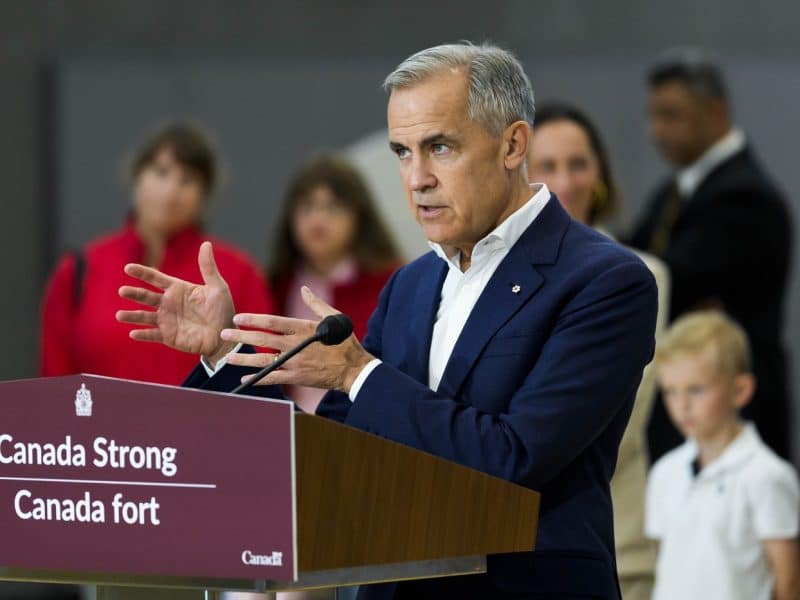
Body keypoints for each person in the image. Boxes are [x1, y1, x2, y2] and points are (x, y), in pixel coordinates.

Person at [117, 42, 658, 599]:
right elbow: (323, 466)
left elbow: (511, 461)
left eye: (439, 147)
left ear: (512, 145)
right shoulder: (410, 286)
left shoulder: (604, 282)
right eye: (402, 152)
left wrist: (358, 373)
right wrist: (224, 357)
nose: (416, 177)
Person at [527, 101, 669, 600]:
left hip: (615, 533)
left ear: (601, 174)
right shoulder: (506, 283)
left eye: (578, 164)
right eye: (547, 166)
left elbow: (623, 422)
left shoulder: (642, 276)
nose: (565, 180)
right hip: (514, 544)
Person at [627, 48, 794, 463]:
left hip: (734, 417)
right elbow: (632, 256)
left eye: (671, 115)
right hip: (689, 411)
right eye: (653, 115)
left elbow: (666, 281)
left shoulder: (745, 197)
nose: (656, 131)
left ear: (715, 111)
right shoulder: (674, 191)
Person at [40, 122, 274, 385]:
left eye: (187, 180)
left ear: (203, 196)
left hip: (200, 425)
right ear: (137, 177)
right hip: (97, 426)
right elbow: (55, 384)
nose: (171, 191)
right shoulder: (78, 270)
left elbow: (261, 377)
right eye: (161, 172)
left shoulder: (237, 275)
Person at [645, 310, 800, 600]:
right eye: (670, 392)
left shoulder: (767, 475)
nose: (681, 406)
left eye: (696, 390)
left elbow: (789, 582)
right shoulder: (664, 472)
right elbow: (666, 566)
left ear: (740, 390)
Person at [268, 155, 401, 414]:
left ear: (358, 217)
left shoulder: (392, 283)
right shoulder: (276, 287)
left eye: (332, 208)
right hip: (290, 429)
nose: (318, 220)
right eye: (307, 207)